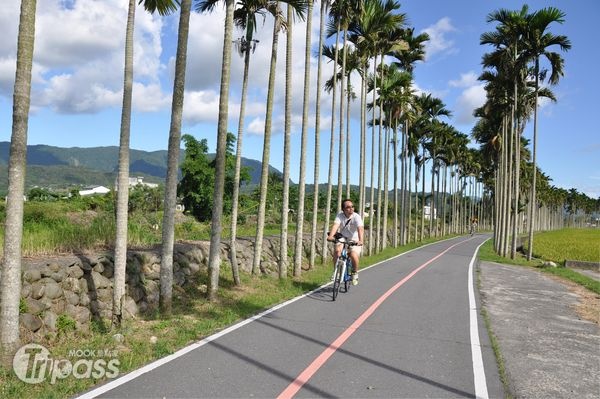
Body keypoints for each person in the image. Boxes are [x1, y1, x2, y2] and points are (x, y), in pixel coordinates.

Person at [327, 199, 364, 285]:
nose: (351, 208)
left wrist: (361, 240)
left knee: (353, 255)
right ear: (343, 209)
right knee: (337, 251)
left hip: (354, 239)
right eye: (348, 207)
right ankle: (337, 271)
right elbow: (335, 226)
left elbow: (360, 229)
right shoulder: (340, 216)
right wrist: (331, 236)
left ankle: (354, 273)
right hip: (343, 238)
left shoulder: (356, 217)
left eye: (352, 206)